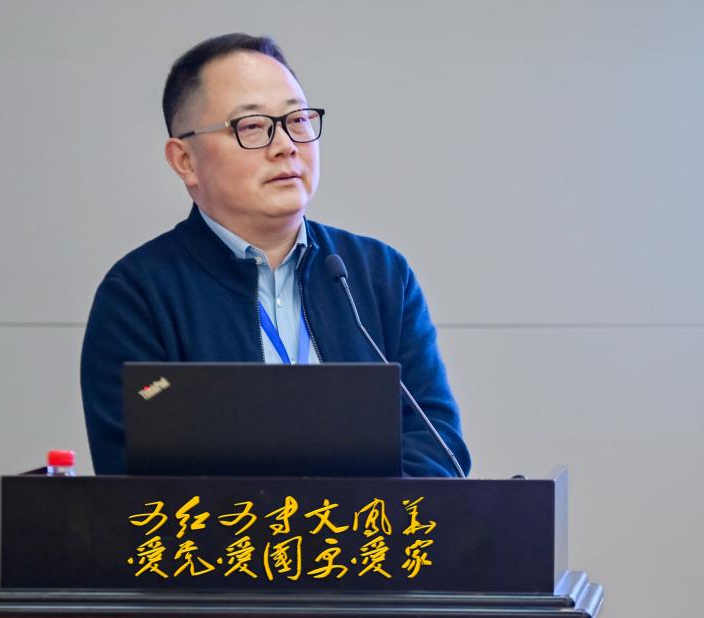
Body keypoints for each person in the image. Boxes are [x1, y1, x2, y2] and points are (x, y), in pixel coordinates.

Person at [81, 33, 470, 477]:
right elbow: (131, 479)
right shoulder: (138, 296)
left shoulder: (377, 274)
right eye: (251, 126)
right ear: (185, 160)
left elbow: (438, 446)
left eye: (297, 120)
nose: (286, 144)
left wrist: (343, 514)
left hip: (370, 525)